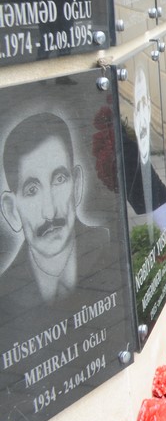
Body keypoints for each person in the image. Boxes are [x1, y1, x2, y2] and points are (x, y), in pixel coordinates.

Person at [0, 112, 112, 307]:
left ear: (77, 185)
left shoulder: (108, 247)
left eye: (59, 180)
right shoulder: (6, 293)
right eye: (32, 190)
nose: (50, 212)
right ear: (12, 211)